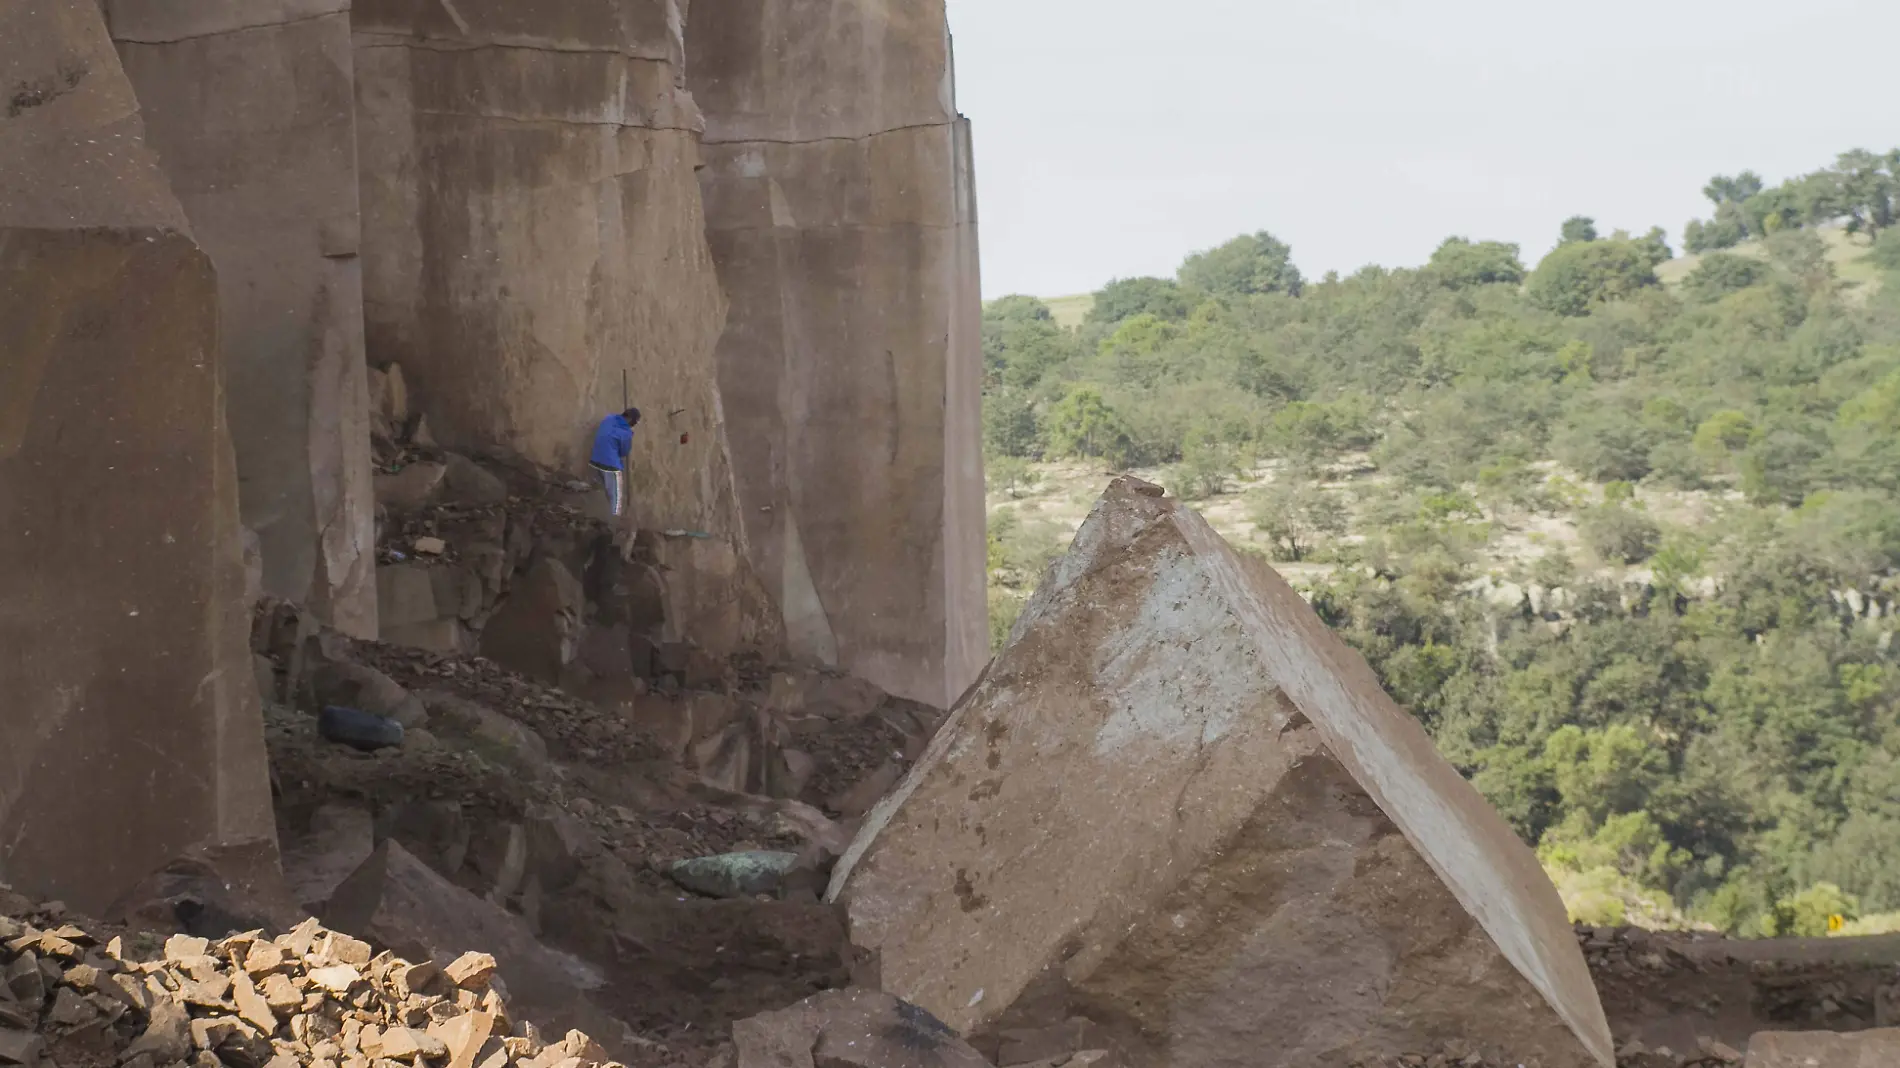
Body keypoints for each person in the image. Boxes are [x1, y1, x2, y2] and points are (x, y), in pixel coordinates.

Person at [589, 408, 640, 517]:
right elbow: (624, 452)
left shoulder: (609, 418)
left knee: (603, 492)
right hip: (611, 466)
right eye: (635, 422)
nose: (634, 425)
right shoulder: (626, 433)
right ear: (630, 419)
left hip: (595, 461)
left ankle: (599, 518)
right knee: (616, 499)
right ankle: (616, 523)